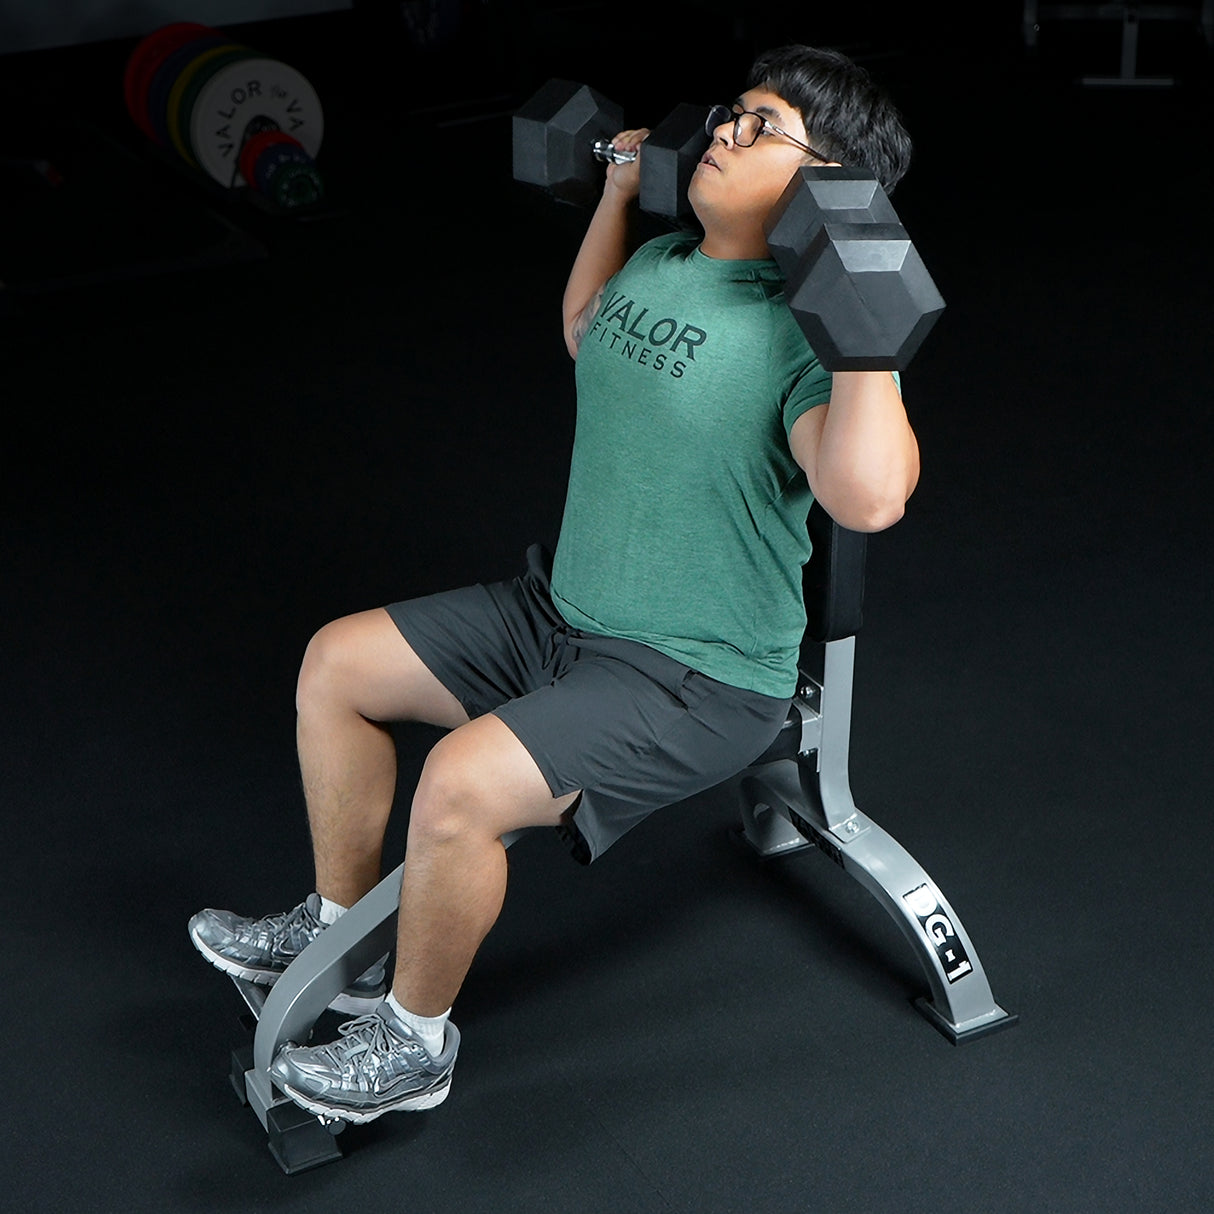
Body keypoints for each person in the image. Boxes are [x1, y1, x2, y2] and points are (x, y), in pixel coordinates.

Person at [189, 44, 920, 1125]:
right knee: (334, 663)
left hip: (693, 677)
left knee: (459, 783)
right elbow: (584, 331)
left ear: (830, 192)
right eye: (732, 112)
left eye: (761, 128)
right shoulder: (668, 261)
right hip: (556, 615)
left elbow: (866, 498)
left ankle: (411, 1039)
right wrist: (620, 187)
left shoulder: (809, 338)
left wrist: (867, 337)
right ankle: (335, 927)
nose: (722, 130)